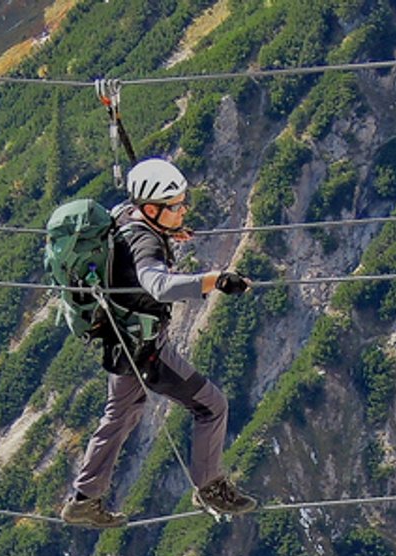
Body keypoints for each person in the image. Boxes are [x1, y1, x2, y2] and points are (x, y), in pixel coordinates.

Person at [61, 158, 259, 528]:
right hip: (145, 349)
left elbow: (136, 248)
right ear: (151, 209)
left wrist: (169, 231)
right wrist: (214, 280)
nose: (183, 209)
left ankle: (84, 499)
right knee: (212, 405)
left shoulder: (125, 216)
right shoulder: (145, 240)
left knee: (120, 415)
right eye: (176, 207)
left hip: (120, 341)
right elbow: (157, 284)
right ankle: (210, 486)